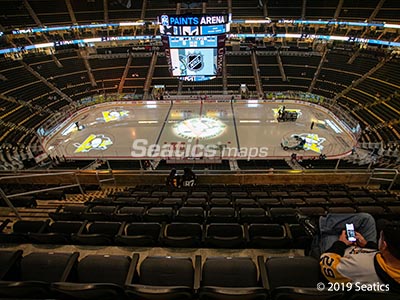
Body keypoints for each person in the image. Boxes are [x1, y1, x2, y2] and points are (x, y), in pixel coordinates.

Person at [303, 213, 400, 291]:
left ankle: (318, 226)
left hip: (342, 258)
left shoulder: (360, 267)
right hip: (366, 253)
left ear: (384, 245)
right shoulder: (392, 261)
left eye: (381, 237)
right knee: (367, 219)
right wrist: (367, 245)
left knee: (330, 234)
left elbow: (326, 264)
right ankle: (321, 224)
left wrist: (340, 243)